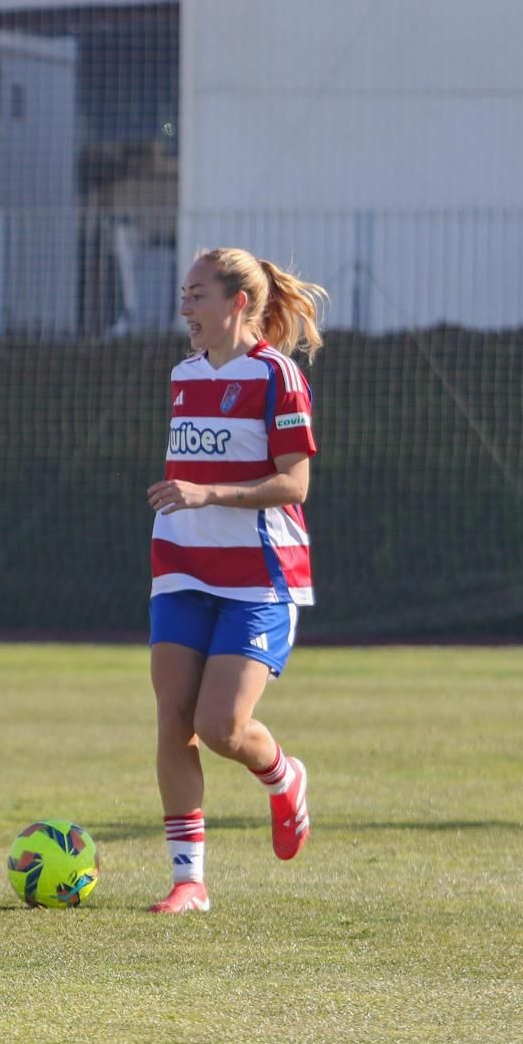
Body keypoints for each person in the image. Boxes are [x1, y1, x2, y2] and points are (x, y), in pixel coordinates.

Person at [145, 246, 328, 914]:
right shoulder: (183, 375)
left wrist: (208, 494)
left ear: (238, 304)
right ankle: (188, 881)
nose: (184, 307)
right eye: (185, 294)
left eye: (197, 295)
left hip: (259, 577)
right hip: (181, 568)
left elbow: (294, 484)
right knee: (173, 720)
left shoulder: (278, 377)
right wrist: (190, 506)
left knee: (221, 726)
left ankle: (283, 775)